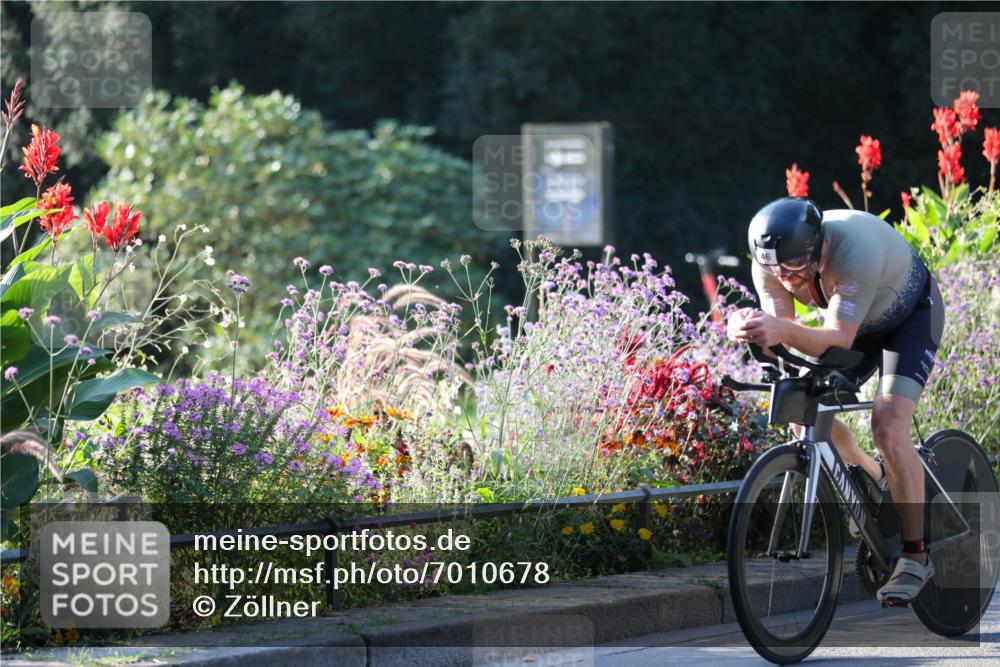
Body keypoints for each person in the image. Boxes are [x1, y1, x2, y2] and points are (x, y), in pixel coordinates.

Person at [727, 197, 945, 603]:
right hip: (854, 326)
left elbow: (838, 338)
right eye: (777, 271)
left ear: (819, 246)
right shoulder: (771, 263)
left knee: (888, 425)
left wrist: (778, 329)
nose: (788, 279)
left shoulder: (854, 249)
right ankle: (873, 474)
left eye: (795, 268)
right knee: (801, 413)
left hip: (908, 320)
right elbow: (785, 331)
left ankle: (916, 556)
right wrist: (749, 327)